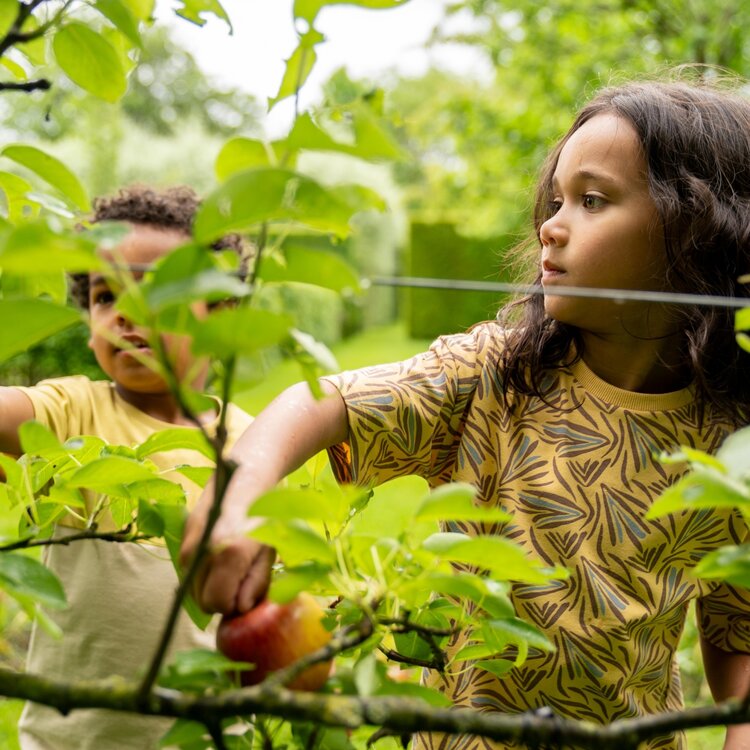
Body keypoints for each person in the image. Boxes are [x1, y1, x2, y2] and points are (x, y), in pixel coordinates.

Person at [180, 79, 750, 750]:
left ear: (699, 234)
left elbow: (737, 644)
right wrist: (239, 492)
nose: (551, 223)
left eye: (592, 200)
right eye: (557, 199)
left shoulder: (730, 446)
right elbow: (323, 400)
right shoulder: (496, 375)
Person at [4, 185, 254, 750]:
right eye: (106, 295)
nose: (125, 316)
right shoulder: (71, 412)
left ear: (221, 312)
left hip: (210, 738)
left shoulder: (255, 444)